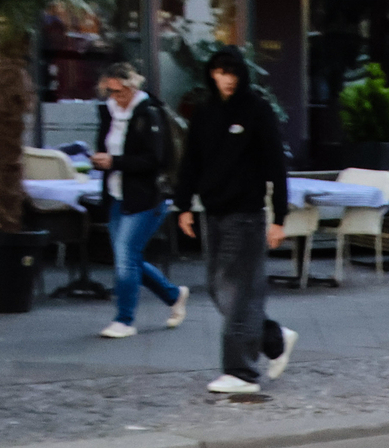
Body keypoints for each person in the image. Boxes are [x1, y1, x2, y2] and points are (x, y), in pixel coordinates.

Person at [169, 46, 294, 397]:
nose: (227, 80)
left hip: (247, 214)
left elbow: (275, 166)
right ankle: (273, 336)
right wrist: (183, 206)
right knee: (217, 287)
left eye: (233, 73)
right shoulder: (204, 114)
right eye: (222, 73)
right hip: (214, 213)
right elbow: (191, 161)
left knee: (240, 292)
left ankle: (241, 371)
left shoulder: (257, 110)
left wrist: (279, 218)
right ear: (212, 74)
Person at [89, 61, 186, 339]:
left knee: (125, 256)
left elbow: (156, 159)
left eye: (119, 92)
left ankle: (124, 319)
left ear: (132, 87)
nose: (115, 98)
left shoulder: (149, 113)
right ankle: (173, 295)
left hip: (147, 196)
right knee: (127, 257)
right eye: (110, 92)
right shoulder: (108, 112)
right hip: (117, 194)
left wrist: (115, 161)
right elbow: (105, 146)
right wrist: (100, 160)